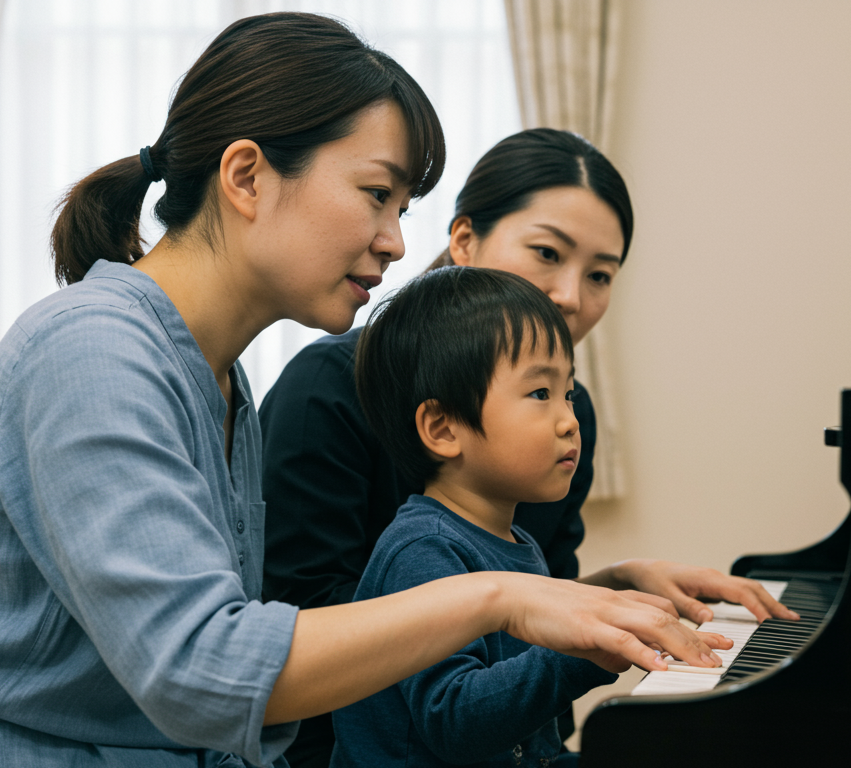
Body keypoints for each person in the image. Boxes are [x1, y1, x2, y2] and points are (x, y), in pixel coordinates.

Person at [0, 14, 727, 768]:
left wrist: (587, 601)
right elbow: (203, 670)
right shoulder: (91, 350)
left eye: (403, 209)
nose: (396, 242)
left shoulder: (221, 379)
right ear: (247, 177)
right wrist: (500, 597)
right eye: (377, 195)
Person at [260, 129, 800, 766]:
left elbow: (527, 618)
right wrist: (589, 645)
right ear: (464, 240)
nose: (570, 295)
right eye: (547, 252)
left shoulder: (571, 419)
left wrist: (618, 589)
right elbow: (319, 642)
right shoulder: (329, 391)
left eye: (599, 275)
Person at [334, 267, 622, 767]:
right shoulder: (423, 550)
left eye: (569, 394)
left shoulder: (515, 541)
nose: (570, 421)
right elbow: (454, 720)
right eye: (540, 394)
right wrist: (583, 652)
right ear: (443, 428)